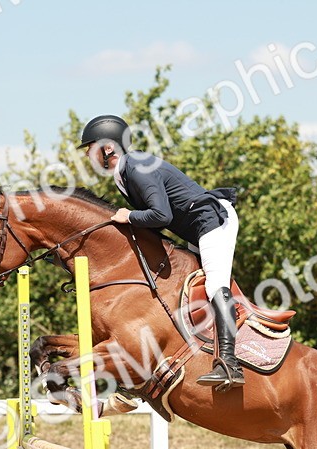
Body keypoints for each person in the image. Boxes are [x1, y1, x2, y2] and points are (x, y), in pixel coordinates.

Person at [78, 114, 244, 390]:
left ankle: (230, 364)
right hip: (195, 227)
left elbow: (161, 215)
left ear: (108, 148)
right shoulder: (124, 173)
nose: (87, 156)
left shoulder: (138, 167)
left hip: (213, 220)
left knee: (215, 284)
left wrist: (129, 216)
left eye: (90, 148)